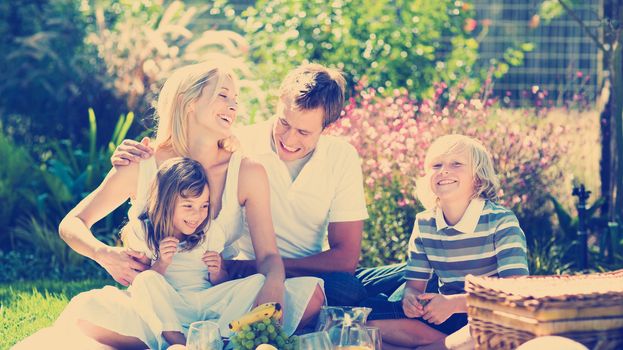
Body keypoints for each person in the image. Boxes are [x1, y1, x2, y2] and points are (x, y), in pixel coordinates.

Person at [16, 60, 323, 349]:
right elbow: (72, 224)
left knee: (311, 295)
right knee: (87, 309)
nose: (233, 105)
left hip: (219, 300)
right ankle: (197, 340)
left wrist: (273, 283)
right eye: (223, 95)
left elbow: (268, 255)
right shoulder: (142, 163)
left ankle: (196, 340)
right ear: (190, 102)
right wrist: (105, 255)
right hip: (154, 303)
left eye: (236, 98)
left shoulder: (247, 172)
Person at [113, 63, 371, 306]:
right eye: (283, 123)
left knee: (368, 285)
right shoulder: (236, 144)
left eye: (304, 132)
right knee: (352, 294)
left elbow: (346, 258)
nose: (289, 139)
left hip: (280, 269)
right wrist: (133, 160)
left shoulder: (340, 157)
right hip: (242, 275)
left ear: (325, 128)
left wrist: (261, 270)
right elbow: (183, 162)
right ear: (278, 104)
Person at [367, 134, 529, 349]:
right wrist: (411, 301)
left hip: (490, 313)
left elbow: (515, 292)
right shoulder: (424, 223)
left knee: (493, 326)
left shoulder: (501, 221)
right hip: (444, 317)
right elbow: (414, 286)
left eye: (456, 164)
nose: (444, 170)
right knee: (370, 324)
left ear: (478, 178)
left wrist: (454, 304)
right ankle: (445, 345)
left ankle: (440, 346)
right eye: (436, 165)